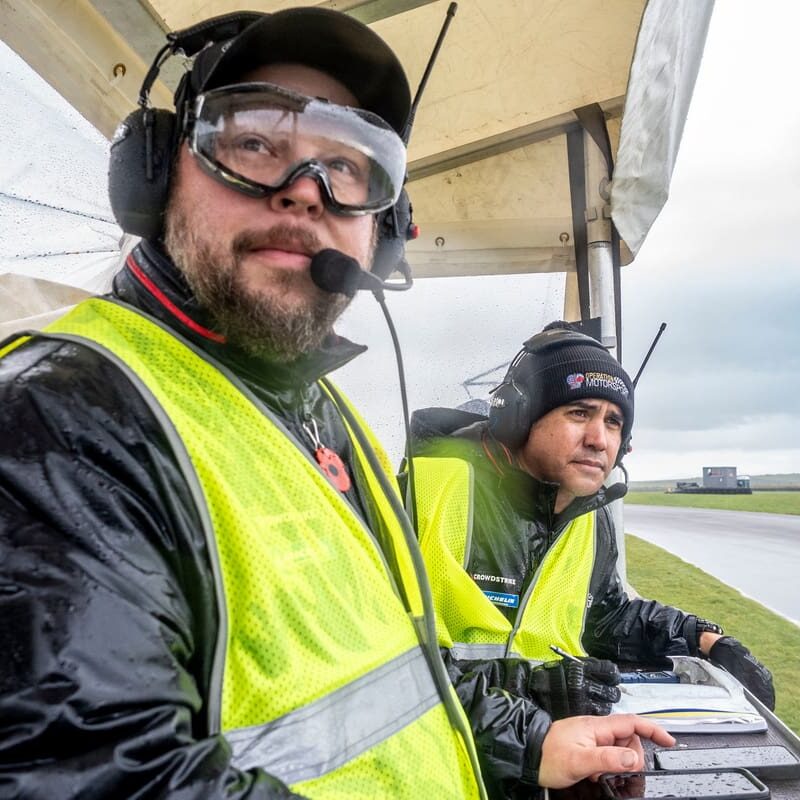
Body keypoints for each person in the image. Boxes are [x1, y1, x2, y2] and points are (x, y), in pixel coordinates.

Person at [0, 10, 677, 799]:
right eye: (253, 142)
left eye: (347, 167)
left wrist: (531, 743)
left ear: (382, 231)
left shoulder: (320, 411)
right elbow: (104, 778)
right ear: (156, 174)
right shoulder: (62, 422)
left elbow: (387, 664)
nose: (301, 192)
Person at [408, 321, 775, 798]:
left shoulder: (586, 509)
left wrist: (702, 638)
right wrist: (531, 692)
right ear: (519, 417)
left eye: (613, 422)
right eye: (580, 413)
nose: (600, 439)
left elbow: (604, 614)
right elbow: (391, 660)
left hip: (550, 759)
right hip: (449, 765)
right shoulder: (429, 491)